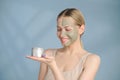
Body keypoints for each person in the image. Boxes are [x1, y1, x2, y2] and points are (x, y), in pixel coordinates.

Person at [26, 8, 101, 80]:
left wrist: (53, 66)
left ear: (81, 29)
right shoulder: (48, 54)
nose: (61, 34)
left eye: (67, 29)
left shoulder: (91, 60)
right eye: (59, 29)